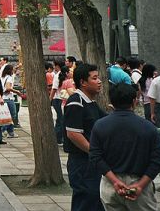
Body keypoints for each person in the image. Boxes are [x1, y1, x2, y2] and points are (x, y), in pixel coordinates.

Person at [89, 83, 160, 211]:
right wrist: (140, 185)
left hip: (110, 183)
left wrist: (115, 181)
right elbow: (157, 160)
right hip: (140, 182)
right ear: (134, 101)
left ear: (112, 102)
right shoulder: (148, 128)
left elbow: (95, 157)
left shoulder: (100, 126)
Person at [63, 63, 106, 211]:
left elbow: (106, 121)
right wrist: (94, 152)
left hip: (91, 161)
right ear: (83, 82)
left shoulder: (91, 102)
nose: (99, 81)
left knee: (95, 199)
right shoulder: (76, 102)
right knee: (86, 200)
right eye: (94, 78)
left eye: (98, 77)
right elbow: (73, 134)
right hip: (81, 162)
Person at [0, 64, 20, 138]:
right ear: (10, 70)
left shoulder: (3, 77)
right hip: (8, 99)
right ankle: (2, 130)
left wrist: (18, 66)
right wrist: (16, 91)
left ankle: (11, 132)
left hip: (3, 98)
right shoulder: (9, 78)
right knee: (12, 115)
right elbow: (8, 88)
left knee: (6, 116)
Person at [50, 61, 67, 145]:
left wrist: (50, 99)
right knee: (61, 119)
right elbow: (54, 88)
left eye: (54, 66)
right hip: (60, 99)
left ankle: (58, 137)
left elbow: (54, 89)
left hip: (58, 99)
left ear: (57, 66)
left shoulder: (58, 75)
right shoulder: (60, 75)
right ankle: (58, 138)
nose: (54, 67)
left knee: (60, 119)